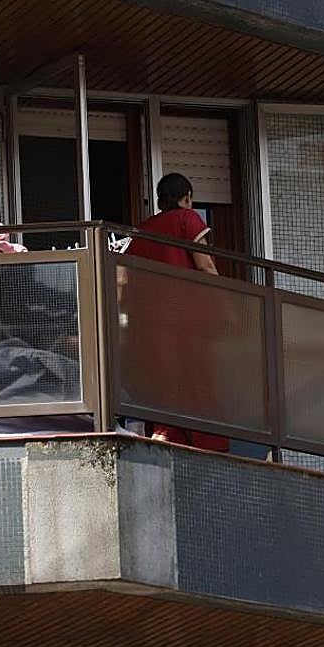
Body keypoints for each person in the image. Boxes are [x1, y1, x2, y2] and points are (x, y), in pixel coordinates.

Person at [125, 173, 229, 452]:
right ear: (188, 197)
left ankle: (164, 436)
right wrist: (228, 300)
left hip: (149, 322)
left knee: (165, 383)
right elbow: (204, 264)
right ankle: (207, 446)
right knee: (197, 381)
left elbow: (127, 277)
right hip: (187, 316)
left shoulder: (143, 230)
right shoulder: (187, 218)